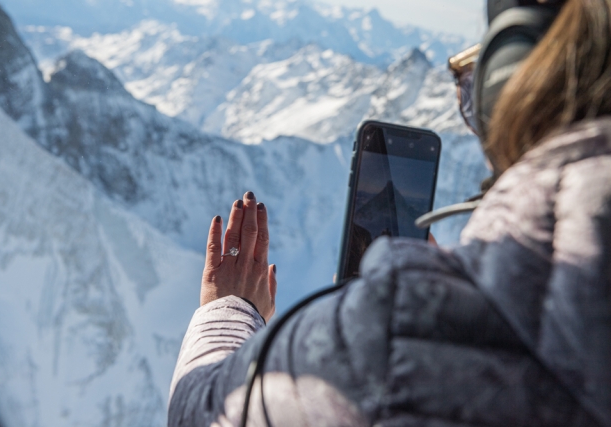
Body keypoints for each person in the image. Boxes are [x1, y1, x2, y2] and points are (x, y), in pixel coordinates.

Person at [168, 0, 611, 425]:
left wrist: (228, 309)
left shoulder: (400, 337)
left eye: (471, 87)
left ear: (510, 76)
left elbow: (203, 413)